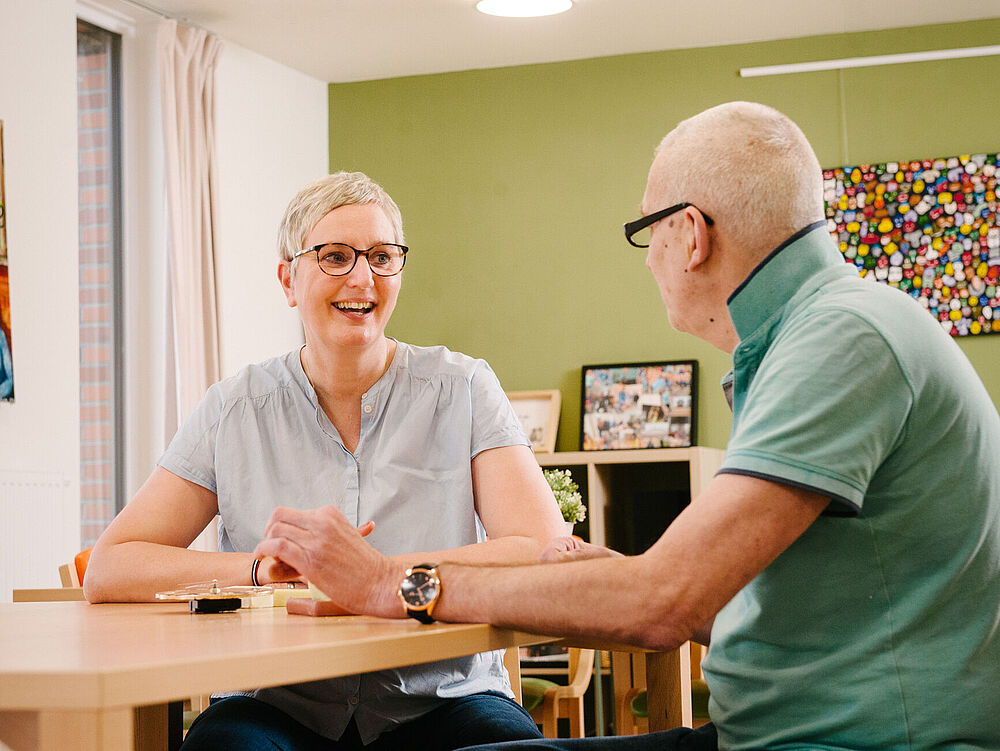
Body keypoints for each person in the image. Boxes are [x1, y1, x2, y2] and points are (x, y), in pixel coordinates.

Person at [255, 103, 1000, 751]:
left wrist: (395, 581)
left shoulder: (842, 338)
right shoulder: (830, 328)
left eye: (647, 234)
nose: (652, 264)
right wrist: (610, 574)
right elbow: (720, 602)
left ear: (690, 234)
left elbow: (665, 605)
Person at [84, 171, 567, 750]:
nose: (362, 277)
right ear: (289, 279)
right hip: (274, 705)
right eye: (335, 256)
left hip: (444, 701)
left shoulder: (463, 388)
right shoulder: (233, 408)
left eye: (382, 257)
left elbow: (540, 552)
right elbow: (112, 567)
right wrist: (262, 573)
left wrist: (377, 581)